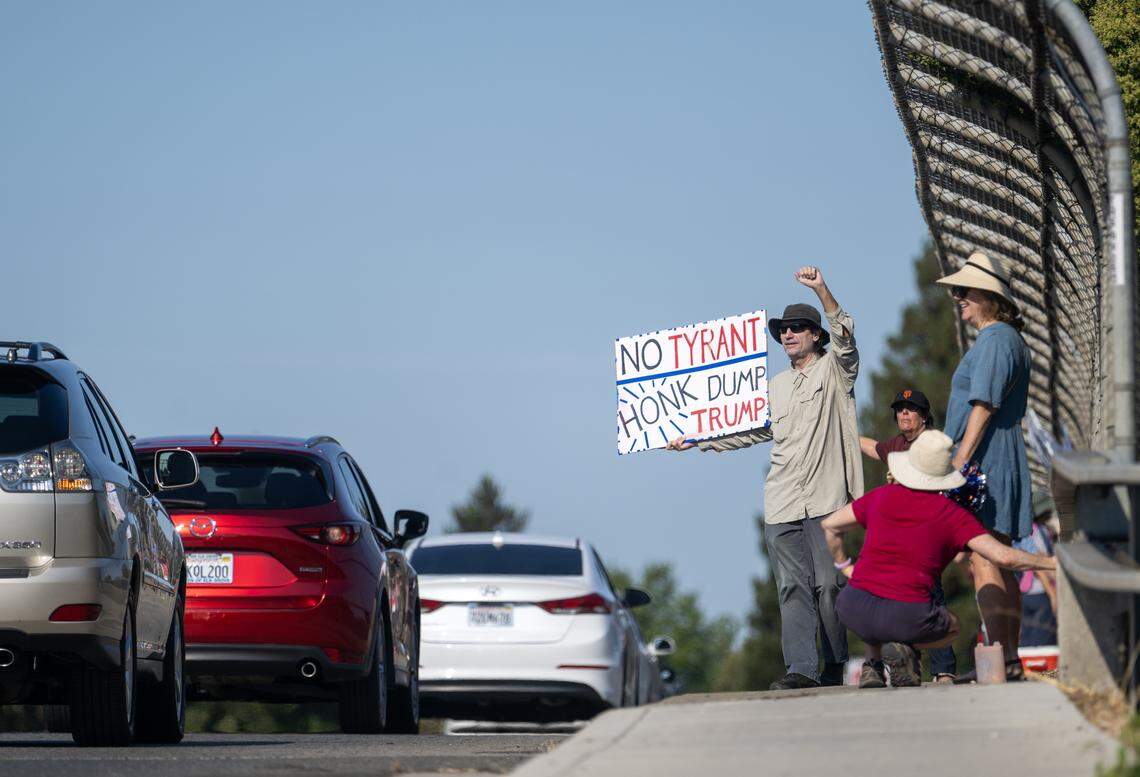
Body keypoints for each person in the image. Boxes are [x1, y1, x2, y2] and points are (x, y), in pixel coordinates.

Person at [667, 266, 861, 690]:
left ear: (815, 334)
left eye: (797, 328)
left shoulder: (835, 372)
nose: (787, 334)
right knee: (792, 587)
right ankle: (801, 670)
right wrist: (695, 438)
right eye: (783, 330)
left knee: (829, 586)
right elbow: (747, 428)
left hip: (829, 501)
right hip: (782, 502)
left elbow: (846, 336)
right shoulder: (773, 386)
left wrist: (822, 290)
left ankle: (833, 665)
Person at [822, 430, 1057, 688]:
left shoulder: (880, 496)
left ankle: (875, 664)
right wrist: (1052, 563)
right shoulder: (951, 514)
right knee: (952, 625)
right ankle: (904, 647)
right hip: (908, 615)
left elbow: (831, 526)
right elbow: (1004, 557)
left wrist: (844, 565)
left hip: (852, 607)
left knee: (877, 607)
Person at [936, 251, 1033, 680]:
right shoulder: (1006, 339)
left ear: (989, 296)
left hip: (985, 460)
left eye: (965, 290)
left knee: (984, 559)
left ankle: (998, 656)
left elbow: (983, 405)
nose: (957, 297)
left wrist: (957, 463)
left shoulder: (995, 341)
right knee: (995, 555)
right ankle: (1008, 656)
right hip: (999, 456)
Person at [859, 388, 957, 684]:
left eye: (910, 409)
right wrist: (842, 431)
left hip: (927, 532)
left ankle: (944, 670)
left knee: (930, 600)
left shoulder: (933, 444)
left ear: (924, 416)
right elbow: (875, 448)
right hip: (899, 536)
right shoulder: (898, 444)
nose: (903, 413)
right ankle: (908, 666)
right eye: (900, 408)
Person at [1016, 491, 1058, 646]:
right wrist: (1053, 594)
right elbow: (1038, 565)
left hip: (1025, 594)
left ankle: (1028, 669)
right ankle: (1041, 671)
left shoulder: (1021, 531)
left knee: (1028, 638)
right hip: (1041, 593)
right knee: (1043, 638)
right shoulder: (1036, 531)